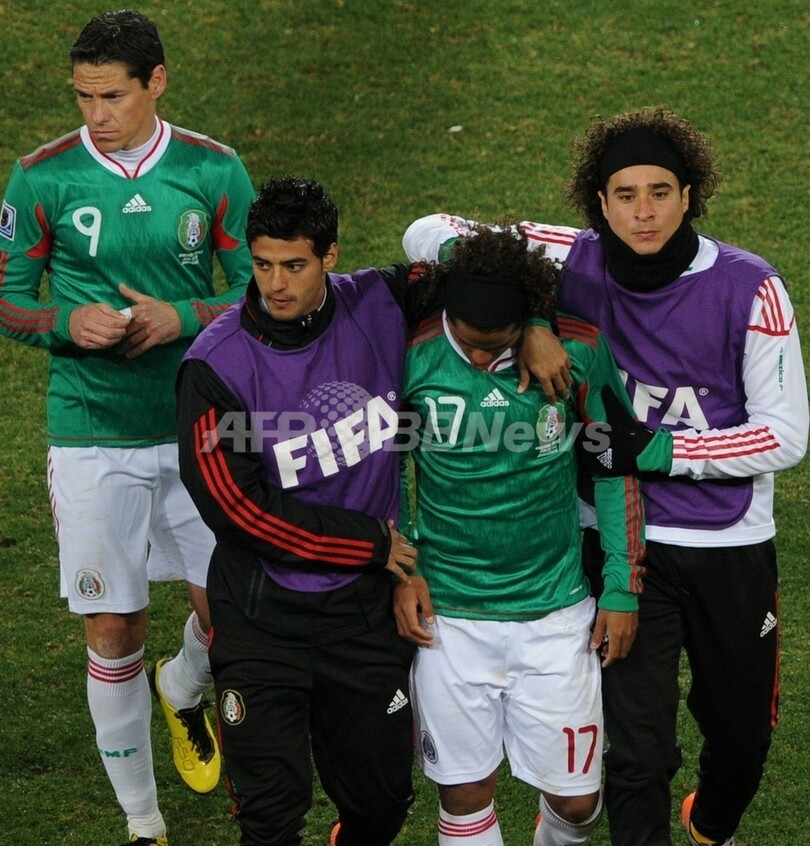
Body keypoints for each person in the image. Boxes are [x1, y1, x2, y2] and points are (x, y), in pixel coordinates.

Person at [402, 106, 809, 846]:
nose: (643, 211)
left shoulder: (751, 286)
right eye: (625, 194)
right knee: (637, 755)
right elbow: (428, 230)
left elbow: (786, 435)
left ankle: (710, 823)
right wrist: (532, 316)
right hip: (617, 540)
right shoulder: (568, 254)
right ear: (600, 201)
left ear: (689, 196)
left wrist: (660, 450)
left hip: (727, 544)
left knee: (742, 737)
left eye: (660, 192)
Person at [0, 10, 255, 845]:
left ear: (157, 83)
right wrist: (63, 322)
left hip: (199, 427)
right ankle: (144, 824)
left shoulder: (214, 170)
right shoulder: (40, 178)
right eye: (83, 96)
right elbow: (7, 298)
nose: (96, 113)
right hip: (92, 432)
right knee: (113, 630)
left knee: (234, 618)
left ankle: (182, 686)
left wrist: (183, 315)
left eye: (112, 95)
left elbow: (267, 289)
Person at [392, 224, 645, 846]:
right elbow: (384, 473)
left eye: (496, 344)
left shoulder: (577, 349)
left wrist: (620, 588)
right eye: (470, 343)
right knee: (464, 794)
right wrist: (404, 570)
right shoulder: (410, 353)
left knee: (579, 804)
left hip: (555, 610)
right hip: (449, 613)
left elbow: (615, 467)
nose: (481, 361)